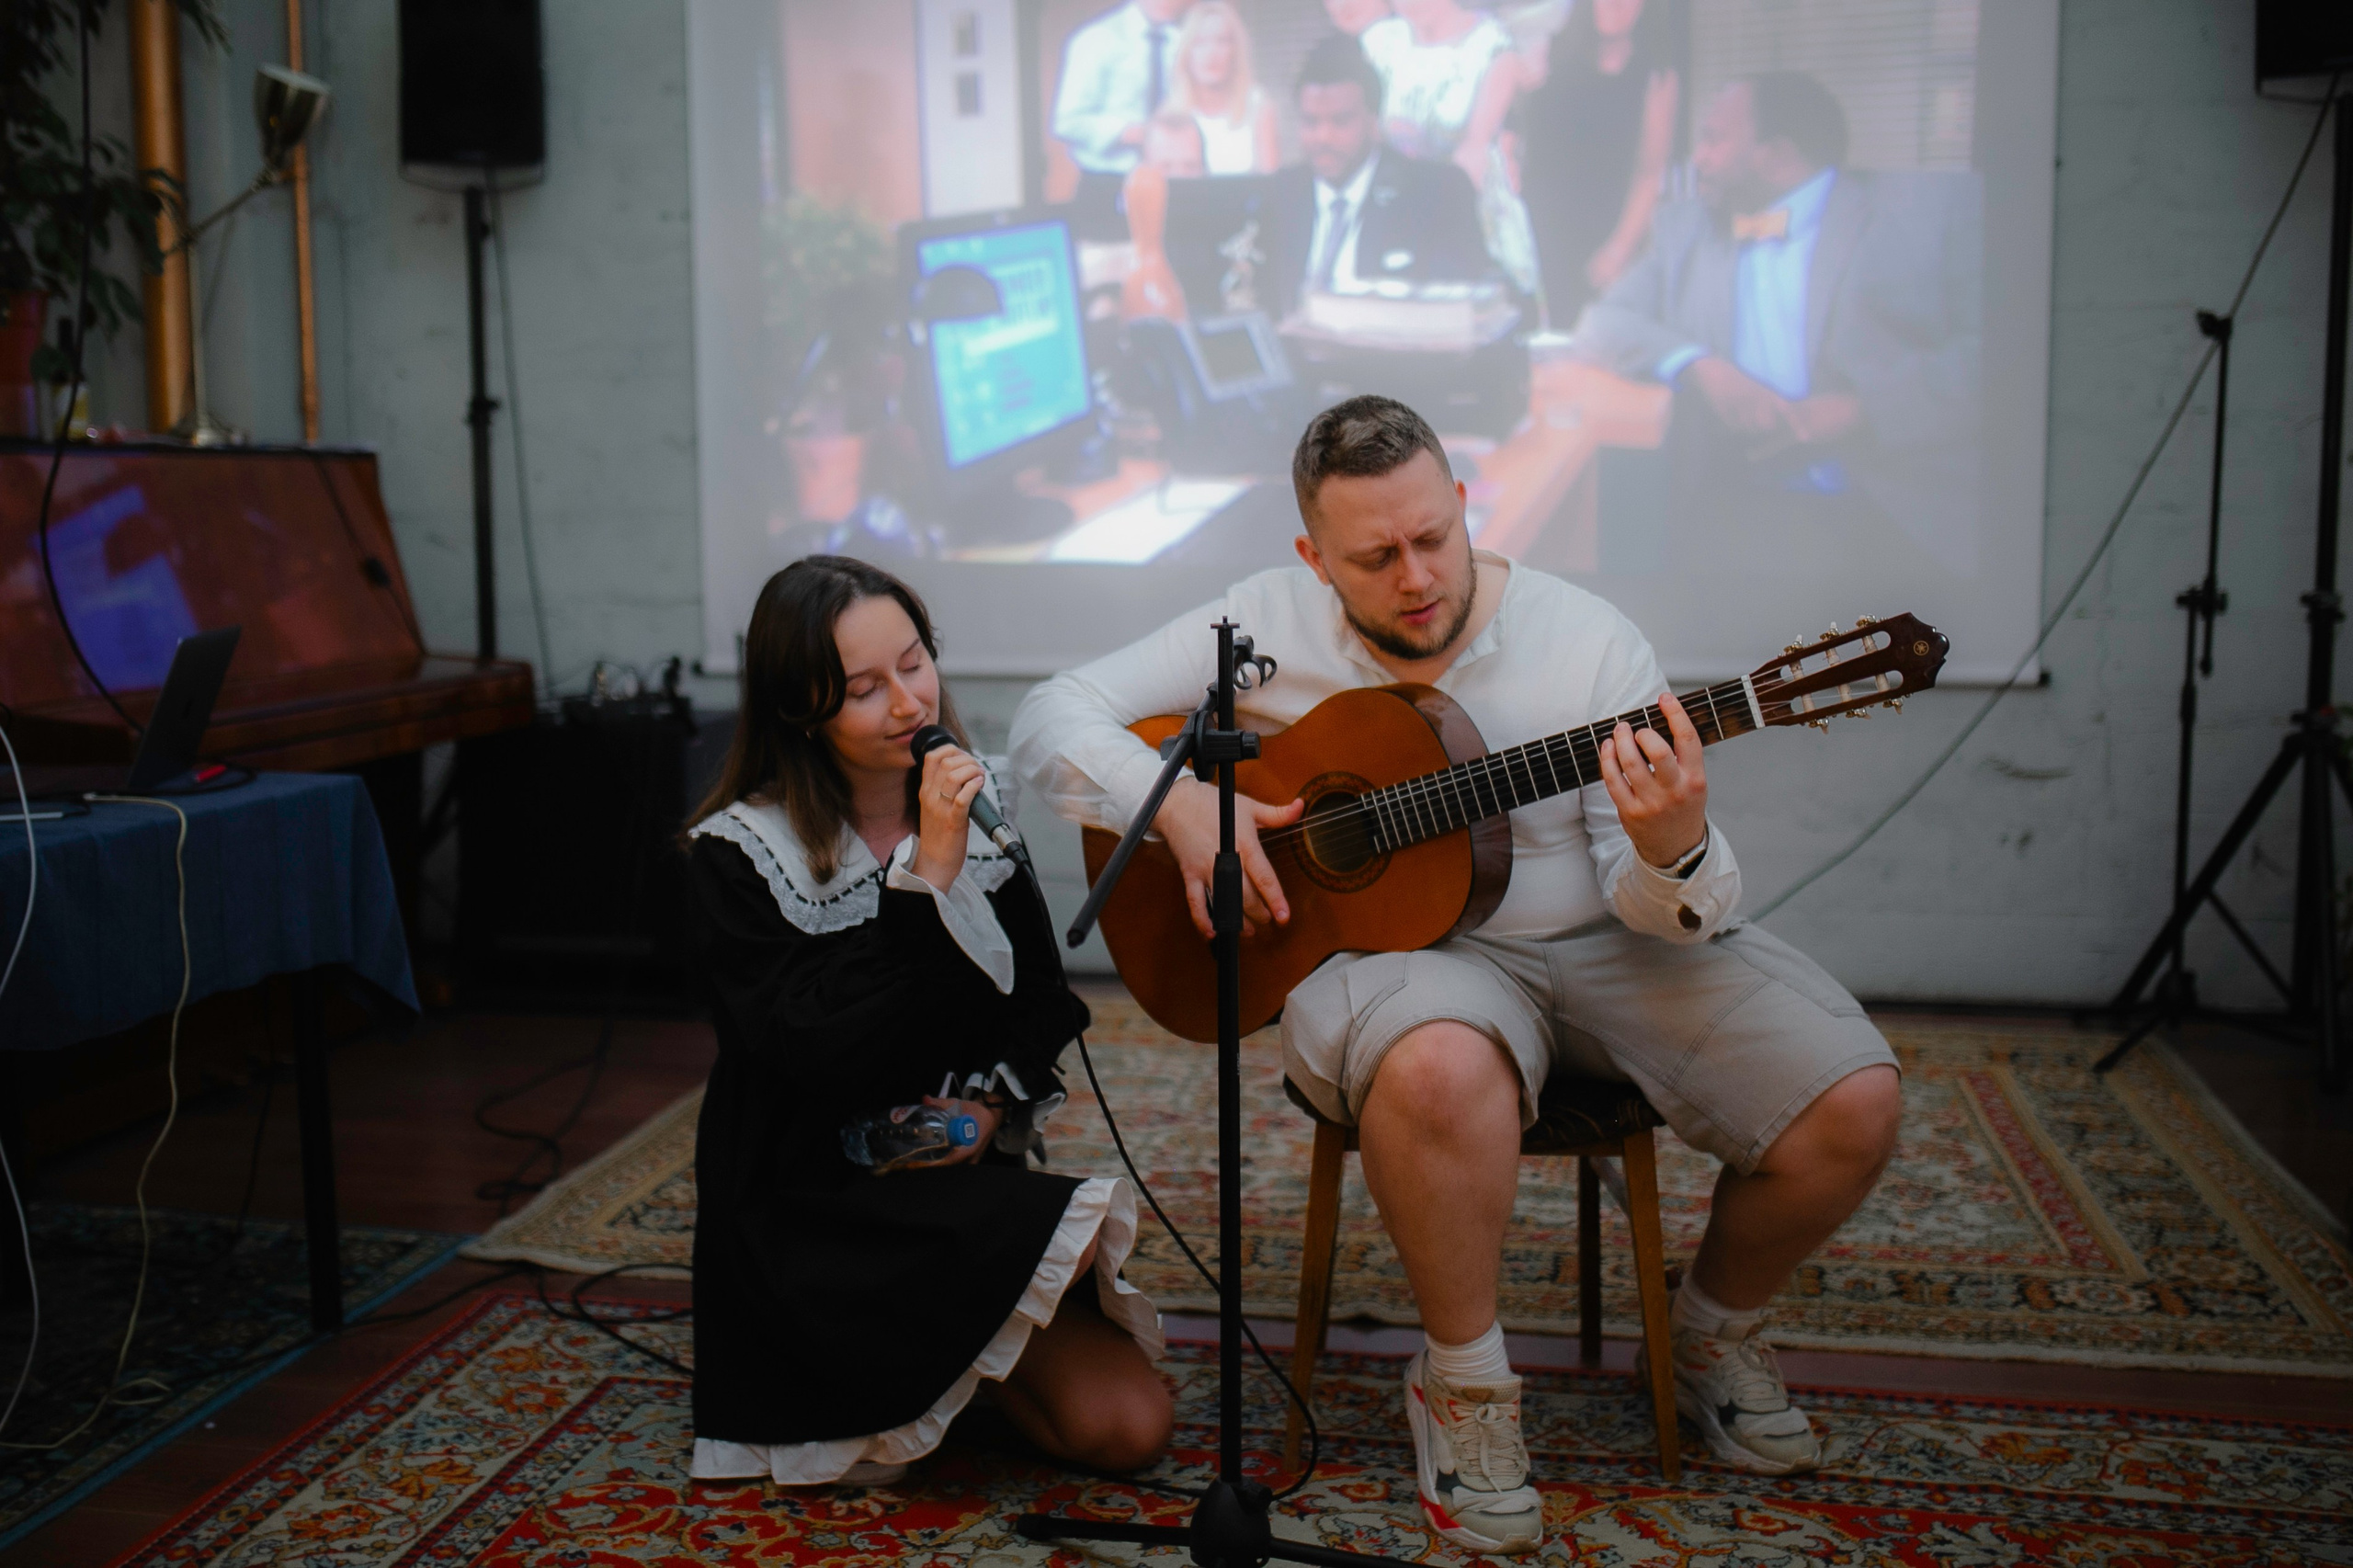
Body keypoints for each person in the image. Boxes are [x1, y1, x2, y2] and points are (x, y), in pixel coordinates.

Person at [1011, 397, 1902, 1553]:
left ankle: (1708, 1328)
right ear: (1312, 558)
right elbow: (1048, 713)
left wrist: (1667, 840)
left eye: (1433, 535)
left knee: (1851, 1098)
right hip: (1398, 956)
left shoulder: (1586, 642)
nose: (1416, 574)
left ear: (1465, 505)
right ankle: (1467, 1387)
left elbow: (1662, 907)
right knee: (1436, 1064)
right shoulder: (1261, 625)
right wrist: (1178, 804)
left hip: (1603, 934)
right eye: (1375, 556)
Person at [684, 555, 1170, 1488]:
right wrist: (922, 879)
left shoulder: (978, 801)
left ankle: (955, 1370)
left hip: (949, 1193)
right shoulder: (739, 854)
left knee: (1130, 1427)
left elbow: (1036, 1001)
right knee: (859, 1465)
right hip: (811, 1209)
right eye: (864, 688)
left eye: (914, 663)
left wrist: (990, 1108)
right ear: (801, 709)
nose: (909, 702)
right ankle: (901, 1373)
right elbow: (814, 1045)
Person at [1570, 71, 1983, 574]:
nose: (1697, 158)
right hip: (1733, 503)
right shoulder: (1686, 229)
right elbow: (1600, 321)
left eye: (1714, 140)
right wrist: (1699, 365)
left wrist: (1862, 410)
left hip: (1892, 503)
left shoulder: (1929, 212)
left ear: (1779, 153)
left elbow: (1999, 355)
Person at [1251, 34, 1496, 319]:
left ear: (1373, 120)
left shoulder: (1436, 191)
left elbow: (1461, 306)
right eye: (1310, 122)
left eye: (1340, 121)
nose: (1323, 137)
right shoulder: (1280, 195)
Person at [1516, 0, 1682, 324]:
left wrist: (1619, 249)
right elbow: (1512, 135)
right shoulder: (1546, 53)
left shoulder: (1657, 76)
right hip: (1536, 233)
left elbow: (1649, 172)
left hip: (1603, 240)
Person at [1358, 0, 1540, 294]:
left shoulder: (1491, 45)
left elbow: (1474, 150)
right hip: (1388, 207)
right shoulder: (1378, 42)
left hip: (1465, 206)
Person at [1053, 0, 1198, 233]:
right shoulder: (1097, 39)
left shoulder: (1180, 42)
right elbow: (1066, 122)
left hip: (1167, 184)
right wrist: (1130, 133)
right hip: (1108, 187)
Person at [1169, 0, 1278, 176]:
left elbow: (1270, 186)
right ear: (1187, 52)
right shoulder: (1172, 112)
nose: (1211, 53)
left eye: (1221, 41)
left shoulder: (1258, 107)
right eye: (1200, 42)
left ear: (1235, 50)